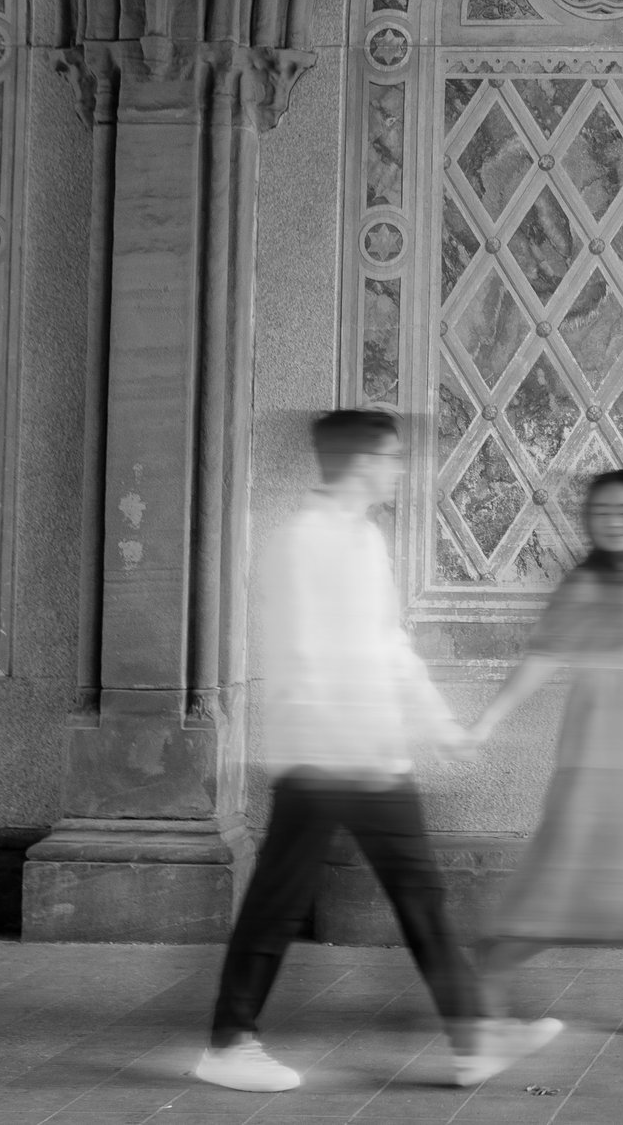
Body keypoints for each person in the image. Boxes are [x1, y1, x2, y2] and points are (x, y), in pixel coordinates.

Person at [194, 409, 558, 1093]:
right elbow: (301, 655)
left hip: (366, 751)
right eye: (390, 457)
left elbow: (388, 647)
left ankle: (471, 1034)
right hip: (327, 752)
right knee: (284, 896)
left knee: (417, 892)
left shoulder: (361, 539)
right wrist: (356, 740)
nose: (399, 468)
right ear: (361, 460)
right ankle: (230, 1040)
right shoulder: (300, 542)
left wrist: (438, 726)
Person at [469, 468, 623, 1038]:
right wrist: (489, 717)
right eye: (602, 512)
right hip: (599, 749)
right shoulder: (581, 587)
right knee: (572, 865)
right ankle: (495, 963)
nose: (613, 521)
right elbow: (542, 658)